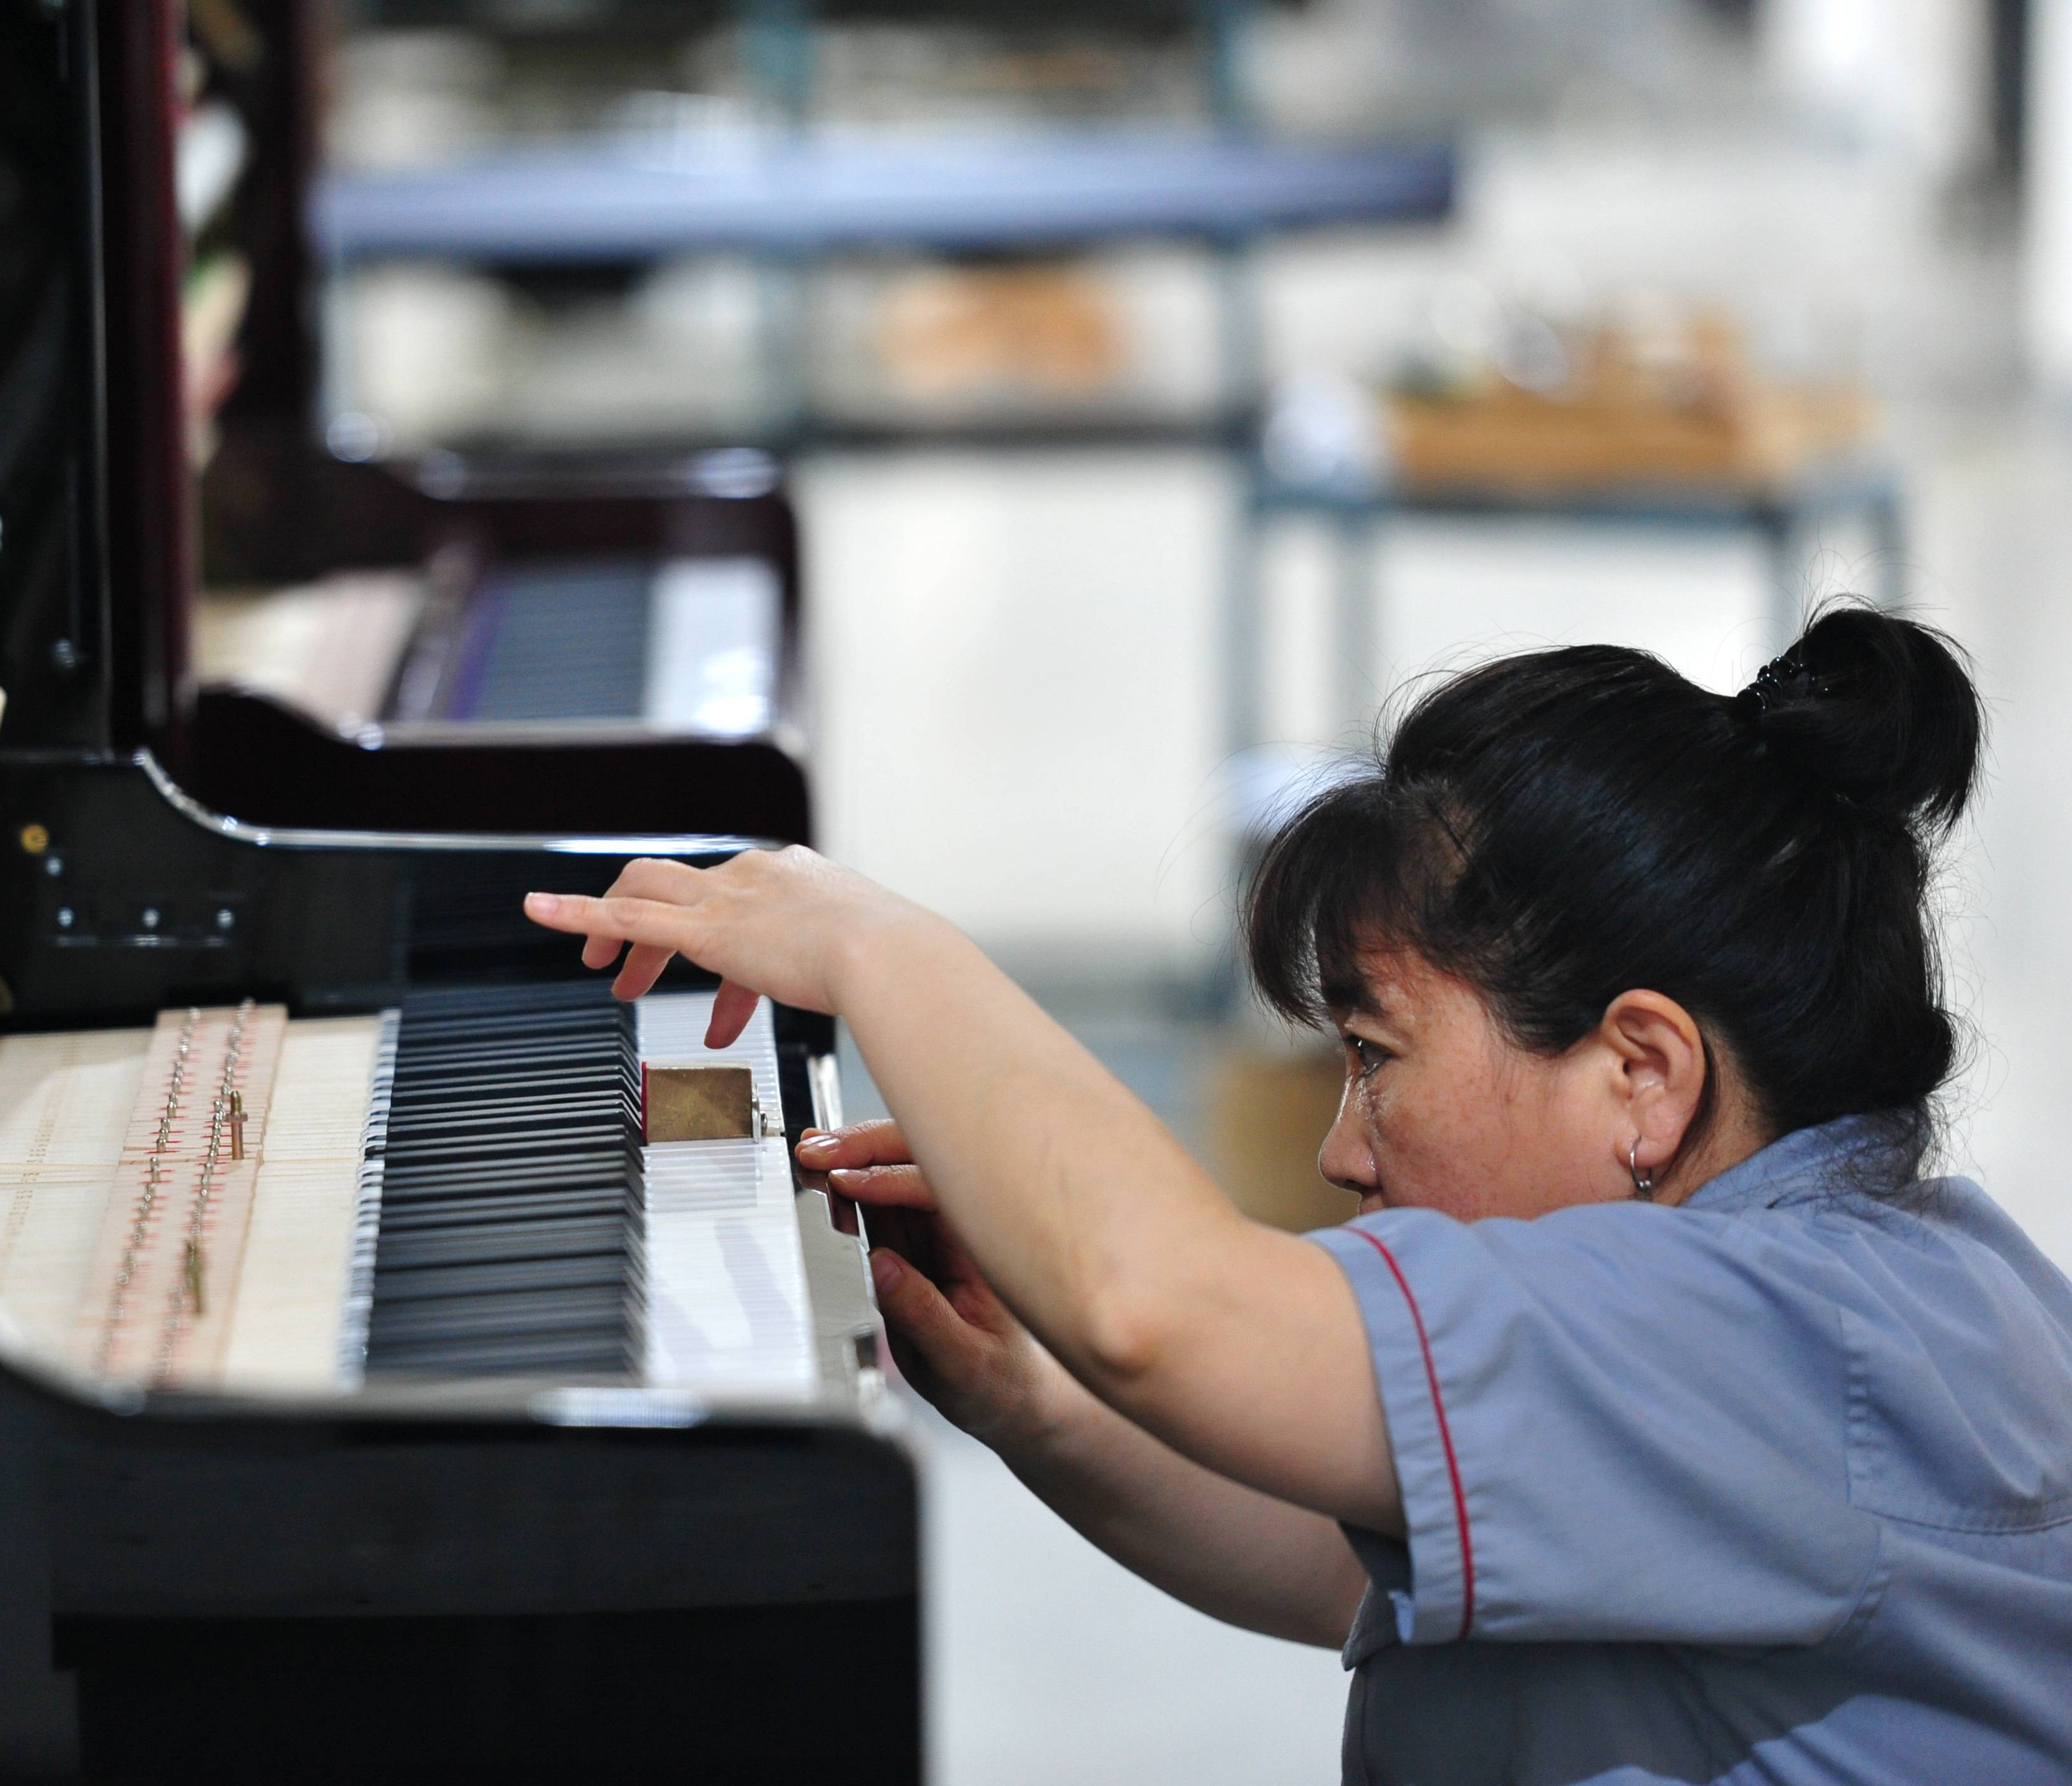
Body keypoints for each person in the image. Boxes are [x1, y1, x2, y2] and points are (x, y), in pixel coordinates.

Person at [523, 606, 2072, 1783]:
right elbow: (1353, 1554)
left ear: (1642, 1079)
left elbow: (1160, 1307)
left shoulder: (1782, 1338)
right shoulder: (1856, 1276)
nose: (1342, 1148)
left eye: (1374, 1056)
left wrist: (870, 943)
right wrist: (1025, 1395)